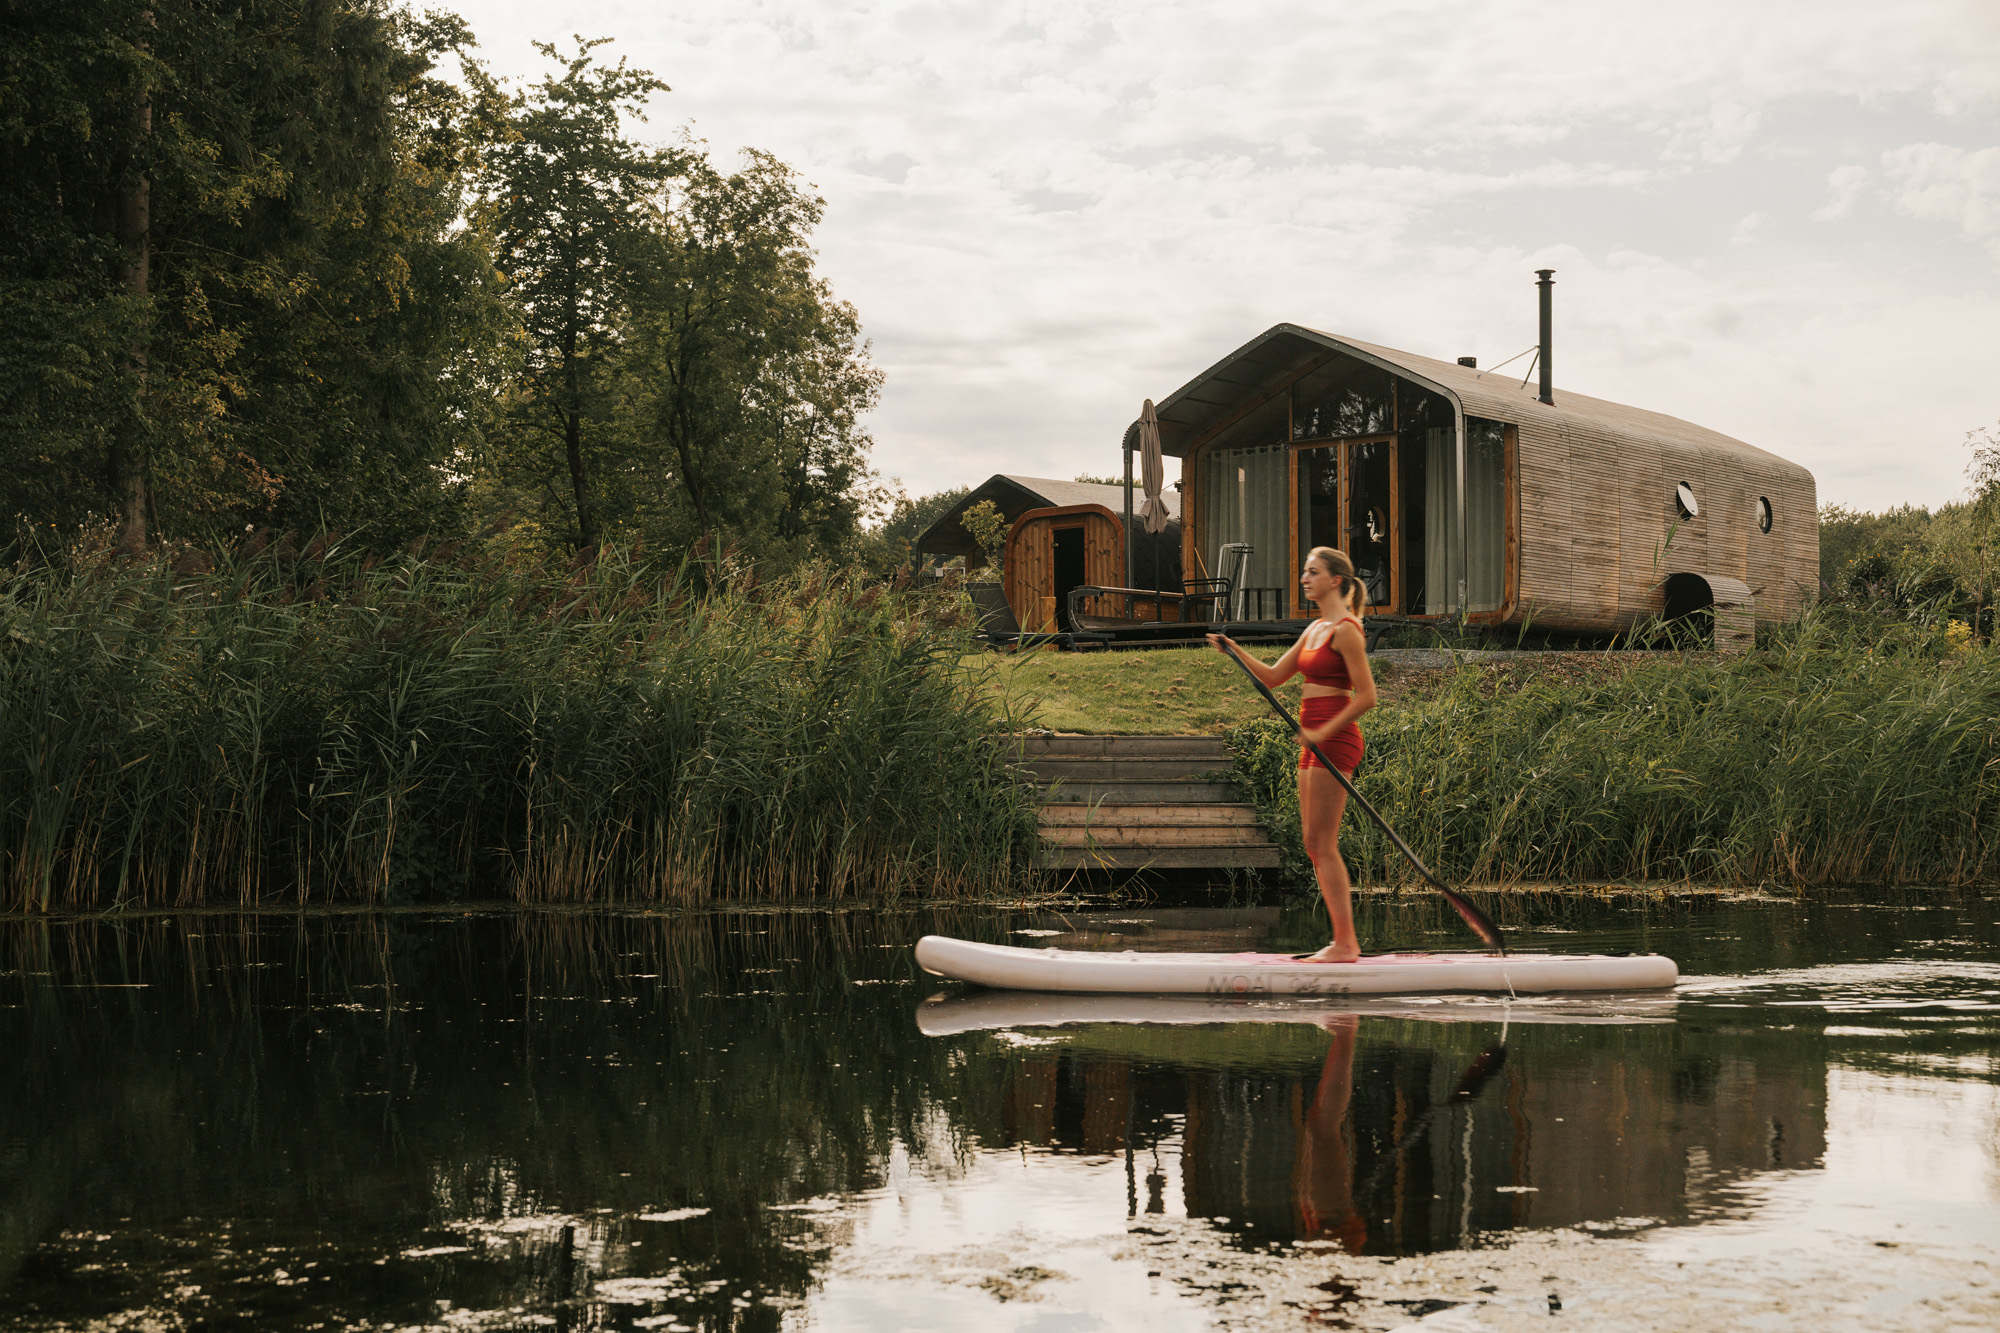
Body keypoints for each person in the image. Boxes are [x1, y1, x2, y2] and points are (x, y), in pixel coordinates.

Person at [1208, 546, 1377, 962]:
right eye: (1305, 571)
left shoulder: (1347, 630)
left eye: (1313, 572)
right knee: (1312, 842)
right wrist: (1234, 650)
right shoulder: (1314, 629)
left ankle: (1345, 944)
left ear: (1335, 580)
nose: (1305, 578)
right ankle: (1343, 942)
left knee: (1323, 842)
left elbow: (1367, 696)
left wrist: (1322, 730)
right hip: (1312, 739)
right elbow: (1273, 677)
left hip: (1335, 739)